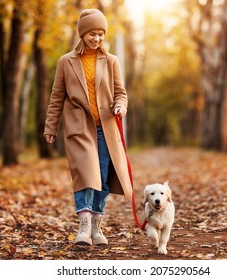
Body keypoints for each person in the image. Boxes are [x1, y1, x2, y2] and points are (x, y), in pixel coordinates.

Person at [44, 8, 132, 246]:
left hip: (106, 127)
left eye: (101, 34)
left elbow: (120, 93)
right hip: (79, 127)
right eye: (92, 33)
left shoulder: (111, 61)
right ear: (82, 34)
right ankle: (83, 227)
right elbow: (56, 97)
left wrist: (121, 106)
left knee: (102, 177)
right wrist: (50, 127)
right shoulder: (66, 62)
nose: (97, 38)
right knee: (85, 174)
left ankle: (96, 226)